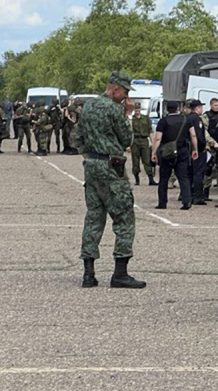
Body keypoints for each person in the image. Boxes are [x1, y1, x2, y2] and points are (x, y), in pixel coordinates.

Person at [76, 72, 146, 290]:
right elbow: (126, 139)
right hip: (111, 166)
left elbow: (78, 138)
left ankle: (89, 274)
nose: (125, 97)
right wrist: (127, 114)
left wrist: (90, 155)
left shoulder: (87, 106)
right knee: (124, 218)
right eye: (124, 93)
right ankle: (120, 273)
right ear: (115, 89)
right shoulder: (115, 109)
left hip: (91, 166)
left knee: (94, 217)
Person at [151, 101, 194, 210]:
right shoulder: (185, 119)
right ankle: (187, 201)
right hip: (182, 150)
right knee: (183, 177)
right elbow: (193, 135)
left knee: (164, 178)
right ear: (178, 108)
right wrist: (195, 149)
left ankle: (162, 202)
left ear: (167, 109)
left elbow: (158, 138)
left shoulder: (163, 121)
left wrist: (154, 152)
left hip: (167, 151)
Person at [186, 100, 211, 205]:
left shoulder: (187, 118)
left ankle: (189, 195)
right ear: (197, 108)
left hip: (188, 149)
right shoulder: (197, 120)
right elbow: (198, 136)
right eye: (201, 107)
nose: (202, 110)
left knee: (190, 173)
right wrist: (202, 147)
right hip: (198, 150)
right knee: (199, 173)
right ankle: (198, 196)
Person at [201, 98, 218, 202]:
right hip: (211, 146)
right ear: (211, 105)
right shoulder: (206, 116)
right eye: (215, 105)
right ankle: (205, 192)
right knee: (208, 170)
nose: (217, 107)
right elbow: (204, 131)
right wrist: (210, 143)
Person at [128, 102, 155, 186]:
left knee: (147, 160)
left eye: (138, 109)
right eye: (136, 109)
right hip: (135, 141)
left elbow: (150, 131)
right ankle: (137, 179)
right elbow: (129, 133)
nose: (137, 111)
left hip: (144, 140)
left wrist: (152, 143)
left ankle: (151, 179)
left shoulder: (146, 119)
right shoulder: (131, 120)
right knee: (135, 161)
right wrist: (128, 145)